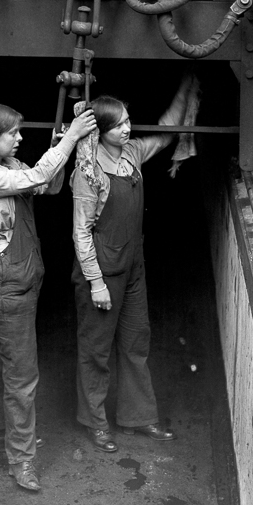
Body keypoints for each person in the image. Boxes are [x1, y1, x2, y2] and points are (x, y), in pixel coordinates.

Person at [0, 103, 97, 492]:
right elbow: (41, 173)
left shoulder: (11, 167)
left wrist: (60, 146)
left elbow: (46, 184)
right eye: (14, 133)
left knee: (1, 357)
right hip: (5, 286)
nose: (20, 138)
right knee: (22, 377)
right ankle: (21, 460)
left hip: (19, 278)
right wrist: (71, 137)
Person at [70, 74, 197, 453]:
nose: (128, 128)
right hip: (101, 271)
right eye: (120, 124)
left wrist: (184, 89)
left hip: (133, 265)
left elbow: (165, 131)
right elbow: (80, 233)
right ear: (103, 130)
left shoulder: (132, 154)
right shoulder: (88, 173)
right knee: (95, 348)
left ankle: (137, 417)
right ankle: (96, 423)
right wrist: (94, 282)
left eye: (128, 121)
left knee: (136, 342)